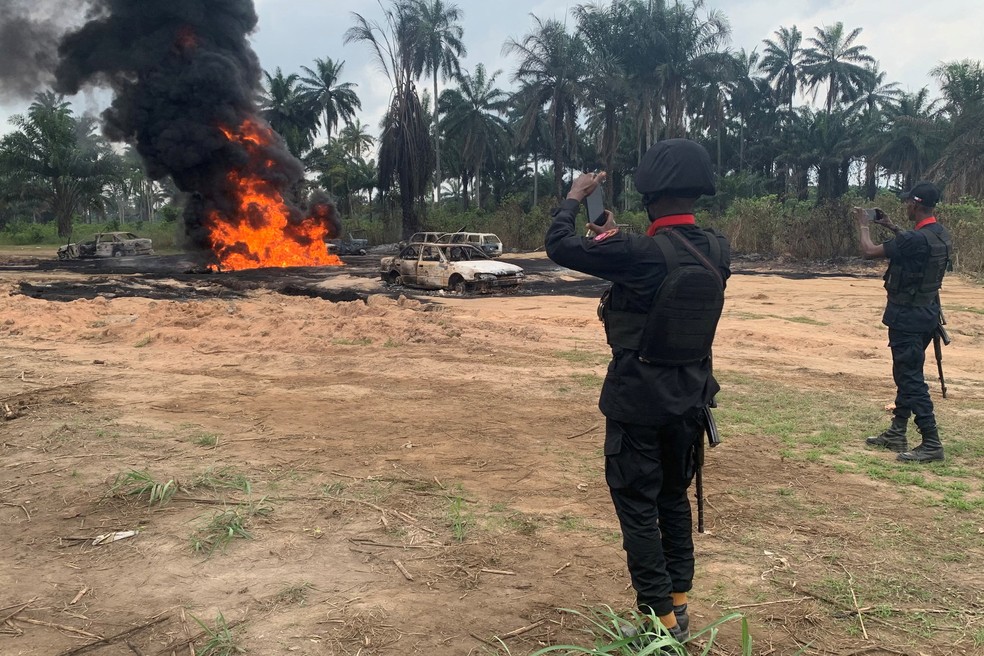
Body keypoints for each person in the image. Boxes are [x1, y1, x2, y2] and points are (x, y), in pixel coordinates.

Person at [545, 139, 731, 642]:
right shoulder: (716, 247)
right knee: (673, 499)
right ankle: (679, 607)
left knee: (636, 509)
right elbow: (656, 263)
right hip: (690, 399)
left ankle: (660, 629)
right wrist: (613, 238)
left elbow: (558, 246)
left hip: (637, 402)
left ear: (648, 194)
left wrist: (573, 197)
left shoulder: (638, 252)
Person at [855, 181, 952, 463]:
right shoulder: (940, 235)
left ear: (915, 204)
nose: (905, 205)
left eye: (908, 201)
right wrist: (892, 227)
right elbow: (913, 244)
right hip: (927, 314)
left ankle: (931, 442)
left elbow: (868, 251)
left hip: (907, 316)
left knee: (911, 378)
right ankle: (897, 431)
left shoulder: (913, 240)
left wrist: (864, 225)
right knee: (906, 372)